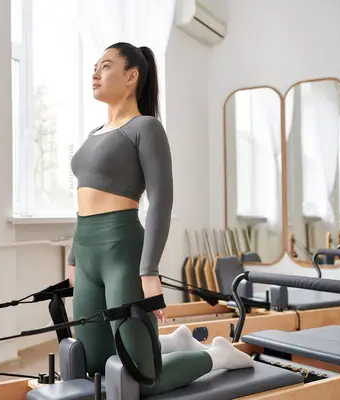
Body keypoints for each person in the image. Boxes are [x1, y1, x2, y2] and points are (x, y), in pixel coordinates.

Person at [66, 42, 254, 396]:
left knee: (139, 377)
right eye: (94, 66)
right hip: (88, 252)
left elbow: (161, 201)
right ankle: (176, 342)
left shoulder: (145, 127)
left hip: (123, 253)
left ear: (131, 76)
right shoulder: (93, 135)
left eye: (105, 66)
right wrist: (75, 257)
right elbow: (81, 203)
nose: (95, 73)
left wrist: (149, 270)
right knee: (94, 367)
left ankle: (218, 355)